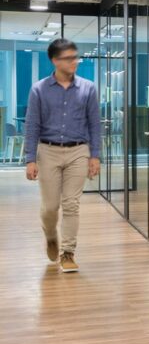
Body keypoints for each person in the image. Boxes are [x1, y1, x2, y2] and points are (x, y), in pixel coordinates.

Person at [24, 38, 101, 273]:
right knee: (50, 207)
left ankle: (68, 252)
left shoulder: (88, 88)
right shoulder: (39, 89)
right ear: (55, 60)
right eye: (69, 58)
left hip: (79, 150)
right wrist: (30, 159)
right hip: (48, 152)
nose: (74, 61)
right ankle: (50, 236)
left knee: (71, 204)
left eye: (75, 57)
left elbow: (95, 124)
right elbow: (32, 125)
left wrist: (95, 155)